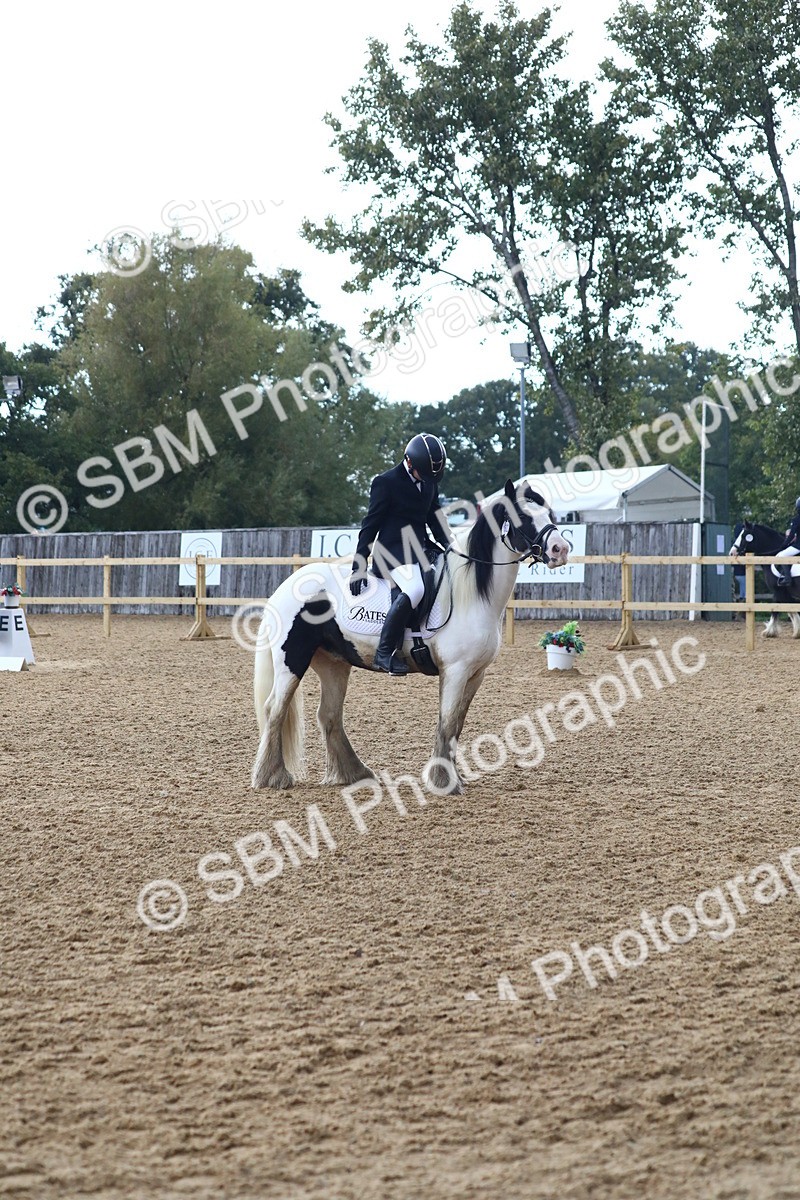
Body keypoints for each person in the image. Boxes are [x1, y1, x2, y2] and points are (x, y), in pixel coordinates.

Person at [349, 433, 451, 675]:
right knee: (415, 589)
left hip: (421, 549)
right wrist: (359, 566)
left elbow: (435, 519)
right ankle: (384, 652)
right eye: (422, 474)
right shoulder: (386, 482)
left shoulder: (429, 480)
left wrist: (450, 546)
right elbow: (370, 525)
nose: (426, 480)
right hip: (391, 553)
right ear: (409, 462)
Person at [775, 496, 800, 589]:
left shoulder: (796, 520)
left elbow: (791, 535)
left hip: (798, 546)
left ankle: (787, 578)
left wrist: (784, 545)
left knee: (781, 556)